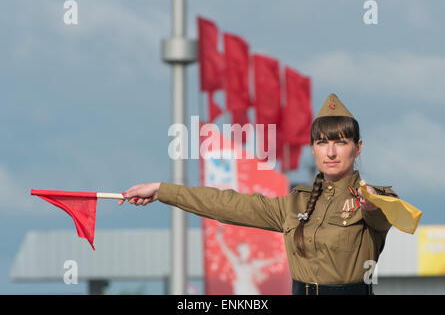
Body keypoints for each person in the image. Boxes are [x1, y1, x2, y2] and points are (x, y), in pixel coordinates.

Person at [117, 93, 399, 295]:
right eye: (322, 143)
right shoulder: (295, 203)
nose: (332, 151)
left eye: (341, 142)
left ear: (358, 147)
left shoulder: (373, 198)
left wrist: (373, 203)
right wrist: (162, 190)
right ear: (313, 148)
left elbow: (390, 213)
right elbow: (227, 204)